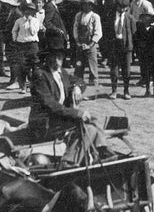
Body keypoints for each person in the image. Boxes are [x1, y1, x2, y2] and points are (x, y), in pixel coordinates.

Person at [28, 35, 113, 166]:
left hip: (58, 118)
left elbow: (80, 81)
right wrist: (76, 113)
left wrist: (77, 88)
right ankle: (69, 160)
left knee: (93, 120)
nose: (57, 61)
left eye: (60, 57)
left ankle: (102, 151)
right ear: (47, 58)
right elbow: (50, 105)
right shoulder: (40, 75)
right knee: (87, 128)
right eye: (54, 57)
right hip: (44, 123)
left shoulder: (62, 72)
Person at [8, 0, 44, 94]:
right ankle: (23, 87)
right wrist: (15, 39)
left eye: (31, 11)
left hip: (32, 45)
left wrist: (30, 21)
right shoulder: (19, 21)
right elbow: (14, 30)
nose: (28, 13)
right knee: (23, 67)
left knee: (35, 66)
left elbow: (33, 32)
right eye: (27, 11)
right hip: (22, 45)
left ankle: (35, 87)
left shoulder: (36, 21)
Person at [104, 0, 135, 99]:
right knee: (114, 69)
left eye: (124, 7)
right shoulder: (111, 17)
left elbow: (133, 32)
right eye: (120, 7)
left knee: (127, 70)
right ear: (116, 7)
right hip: (114, 44)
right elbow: (107, 32)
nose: (122, 9)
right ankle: (114, 91)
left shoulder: (130, 18)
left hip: (126, 45)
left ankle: (126, 91)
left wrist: (130, 46)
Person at [71, 0, 103, 89]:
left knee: (93, 69)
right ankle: (78, 89)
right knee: (78, 68)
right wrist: (77, 42)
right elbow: (75, 29)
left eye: (89, 5)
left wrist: (90, 45)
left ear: (92, 6)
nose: (86, 7)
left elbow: (98, 33)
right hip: (80, 45)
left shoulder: (95, 17)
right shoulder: (78, 15)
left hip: (91, 46)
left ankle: (93, 91)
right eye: (85, 5)